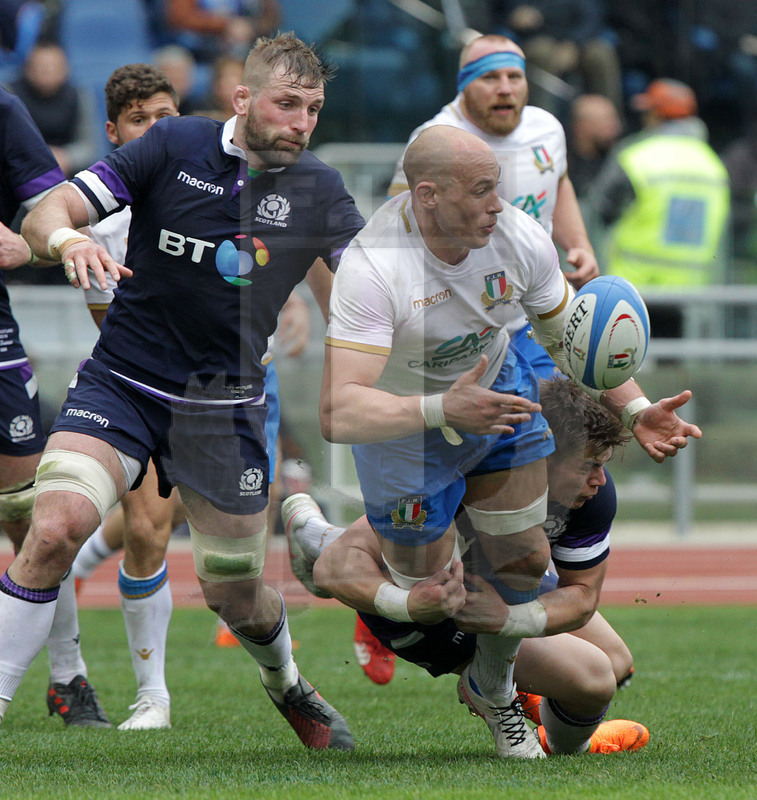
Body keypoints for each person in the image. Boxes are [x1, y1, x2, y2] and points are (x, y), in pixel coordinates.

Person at [10, 33, 364, 750]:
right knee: (52, 528)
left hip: (223, 408)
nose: (300, 123)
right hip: (123, 383)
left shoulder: (318, 189)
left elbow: (372, 289)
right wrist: (70, 242)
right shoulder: (172, 144)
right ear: (243, 99)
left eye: (313, 110)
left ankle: (286, 681)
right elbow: (47, 212)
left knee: (234, 590)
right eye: (287, 104)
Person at [320, 124, 700, 758]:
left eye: (497, 186)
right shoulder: (373, 266)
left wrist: (635, 409)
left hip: (501, 399)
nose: (499, 204)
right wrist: (443, 407)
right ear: (427, 196)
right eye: (481, 190)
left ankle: (494, 691)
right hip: (406, 432)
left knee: (523, 561)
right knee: (427, 585)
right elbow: (338, 412)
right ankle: (335, 551)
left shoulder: (518, 237)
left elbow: (567, 340)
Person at [285, 376, 648, 756]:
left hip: (497, 588)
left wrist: (508, 619)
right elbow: (336, 567)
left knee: (617, 662)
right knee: (594, 678)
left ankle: (315, 533)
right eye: (588, 465)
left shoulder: (594, 495)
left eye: (602, 464)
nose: (599, 480)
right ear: (541, 453)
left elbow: (582, 595)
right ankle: (494, 689)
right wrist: (405, 605)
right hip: (433, 615)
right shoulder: (462, 478)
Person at [387, 34, 599, 380]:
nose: (505, 89)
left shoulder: (546, 128)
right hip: (467, 329)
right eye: (489, 77)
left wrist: (580, 245)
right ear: (464, 86)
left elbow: (558, 183)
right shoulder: (433, 141)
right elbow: (398, 227)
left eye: (515, 77)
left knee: (563, 406)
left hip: (535, 312)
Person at [0, 85, 112, 728]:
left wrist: (33, 243)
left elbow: (55, 214)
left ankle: (68, 676)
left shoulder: (3, 110)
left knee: (30, 513)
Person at [587, 78, 731, 338]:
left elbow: (600, 210)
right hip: (689, 291)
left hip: (631, 288)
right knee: (672, 359)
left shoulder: (636, 156)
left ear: (656, 115)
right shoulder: (713, 166)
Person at [10, 42, 98, 178]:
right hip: (19, 171)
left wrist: (66, 157)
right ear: (27, 68)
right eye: (41, 67)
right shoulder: (9, 94)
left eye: (54, 67)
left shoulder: (79, 95)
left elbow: (89, 147)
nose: (47, 72)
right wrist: (37, 158)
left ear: (66, 69)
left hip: (67, 173)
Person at [165, 0, 280, 63]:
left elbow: (270, 18)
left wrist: (251, 27)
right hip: (200, 49)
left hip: (247, 43)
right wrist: (225, 25)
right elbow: (179, 18)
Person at [567, 93, 622, 200]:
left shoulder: (619, 161)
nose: (615, 126)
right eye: (605, 120)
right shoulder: (564, 165)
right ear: (580, 127)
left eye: (613, 119)